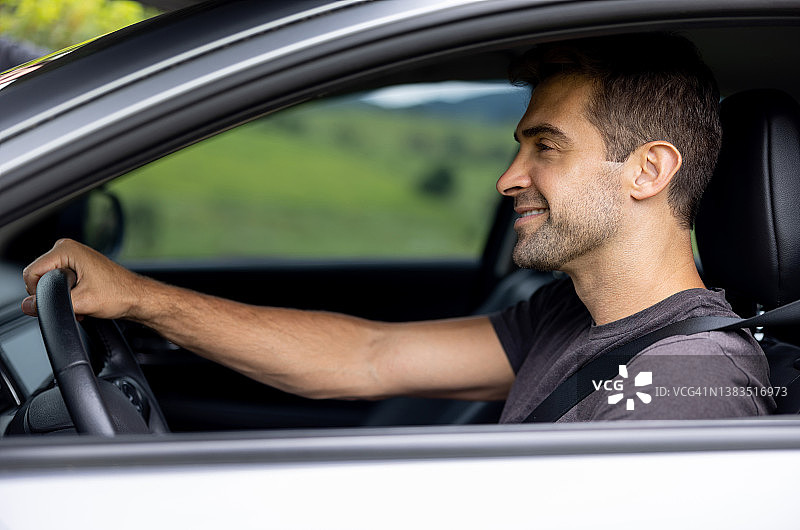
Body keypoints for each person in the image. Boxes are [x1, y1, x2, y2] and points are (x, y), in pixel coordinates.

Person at [20, 33, 775, 422]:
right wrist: (141, 298)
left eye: (545, 147)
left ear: (648, 171)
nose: (509, 178)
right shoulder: (575, 319)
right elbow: (367, 357)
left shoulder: (684, 381)